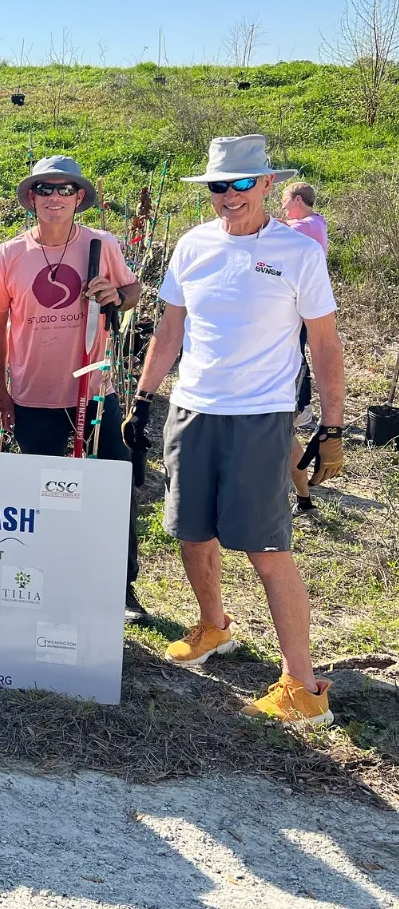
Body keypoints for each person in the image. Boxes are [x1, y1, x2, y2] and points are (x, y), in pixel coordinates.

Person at [124, 135, 344, 725]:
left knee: (266, 549)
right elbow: (169, 331)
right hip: (192, 410)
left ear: (267, 184)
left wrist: (333, 425)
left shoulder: (298, 253)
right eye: (219, 186)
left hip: (261, 417)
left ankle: (303, 685)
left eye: (241, 184)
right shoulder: (192, 246)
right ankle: (214, 627)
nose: (228, 197)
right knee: (191, 531)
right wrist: (143, 399)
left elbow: (323, 343)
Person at [0, 155, 146, 621]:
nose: (54, 198)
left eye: (64, 190)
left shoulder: (101, 244)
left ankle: (121, 587)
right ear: (32, 198)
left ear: (78, 198)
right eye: (45, 190)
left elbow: (131, 291)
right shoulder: (7, 256)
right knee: (41, 495)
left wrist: (117, 296)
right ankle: (43, 580)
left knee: (114, 487)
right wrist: (2, 389)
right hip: (34, 394)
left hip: (95, 391)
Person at [282, 180, 329, 523]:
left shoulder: (305, 228)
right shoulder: (315, 225)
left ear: (298, 200)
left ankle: (304, 498)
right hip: (294, 321)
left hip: (293, 320)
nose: (283, 208)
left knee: (282, 433)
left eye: (285, 202)